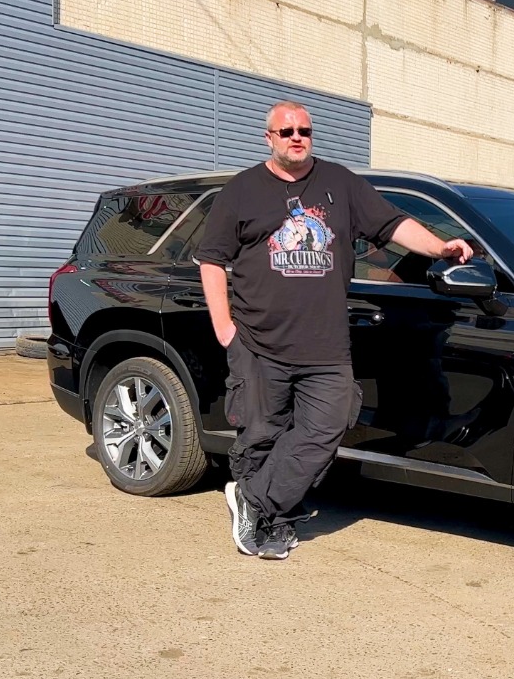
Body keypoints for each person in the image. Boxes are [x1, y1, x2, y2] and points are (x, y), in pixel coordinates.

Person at [197, 100, 473, 560]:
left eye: (304, 130)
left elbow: (393, 224)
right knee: (261, 435)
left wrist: (440, 247)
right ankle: (270, 524)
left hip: (325, 346)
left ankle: (254, 500)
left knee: (325, 429)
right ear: (269, 138)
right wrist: (224, 327)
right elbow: (211, 260)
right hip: (259, 341)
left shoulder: (340, 183)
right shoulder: (241, 190)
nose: (296, 137)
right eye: (286, 131)